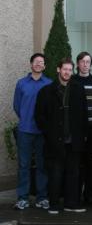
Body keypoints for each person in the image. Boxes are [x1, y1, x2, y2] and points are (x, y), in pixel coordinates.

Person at [34, 58, 88, 214]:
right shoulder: (46, 91)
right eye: (64, 69)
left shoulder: (78, 89)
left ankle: (71, 203)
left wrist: (82, 135)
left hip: (74, 141)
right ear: (58, 70)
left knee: (73, 173)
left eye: (70, 70)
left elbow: (84, 115)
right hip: (54, 141)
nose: (67, 73)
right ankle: (54, 204)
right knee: (55, 173)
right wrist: (49, 133)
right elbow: (39, 116)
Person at [12, 53, 52, 210]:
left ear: (45, 66)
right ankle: (23, 198)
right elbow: (17, 105)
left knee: (42, 165)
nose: (38, 64)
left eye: (41, 62)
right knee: (24, 165)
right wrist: (26, 119)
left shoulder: (49, 83)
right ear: (31, 64)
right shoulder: (21, 83)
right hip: (25, 130)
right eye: (36, 62)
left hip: (42, 132)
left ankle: (42, 198)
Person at [72, 51, 92, 206]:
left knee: (91, 164)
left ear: (91, 65)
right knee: (76, 164)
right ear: (77, 64)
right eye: (82, 61)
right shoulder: (72, 80)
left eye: (88, 62)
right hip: (76, 130)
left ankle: (89, 195)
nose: (85, 64)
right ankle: (75, 194)